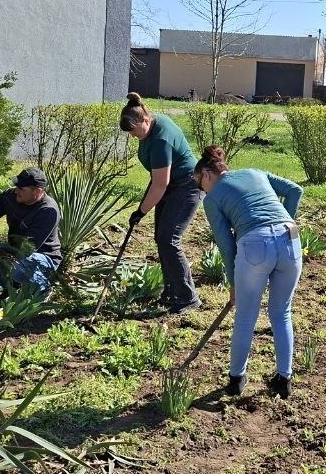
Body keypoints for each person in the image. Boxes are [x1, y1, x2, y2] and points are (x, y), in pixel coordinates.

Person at [194, 145, 303, 399]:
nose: (201, 191)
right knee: (281, 312)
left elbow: (226, 246)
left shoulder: (212, 199)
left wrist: (233, 285)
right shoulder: (255, 172)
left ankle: (235, 380)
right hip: (290, 240)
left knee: (245, 315)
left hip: (255, 246)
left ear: (208, 175)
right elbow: (295, 190)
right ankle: (284, 379)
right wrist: (285, 221)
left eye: (200, 185)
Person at [120, 92, 203, 314]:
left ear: (145, 120)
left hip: (186, 186)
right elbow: (157, 179)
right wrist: (142, 209)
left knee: (169, 239)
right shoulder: (152, 129)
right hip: (171, 185)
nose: (133, 136)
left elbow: (160, 184)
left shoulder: (160, 139)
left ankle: (187, 298)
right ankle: (171, 293)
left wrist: (141, 211)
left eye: (135, 131)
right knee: (161, 238)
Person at [0, 167, 62, 294]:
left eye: (21, 188)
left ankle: (41, 289)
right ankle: (12, 287)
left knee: (18, 264)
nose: (16, 191)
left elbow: (26, 249)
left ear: (38, 191)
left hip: (43, 257)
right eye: (16, 186)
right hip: (14, 252)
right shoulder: (10, 197)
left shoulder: (48, 211)